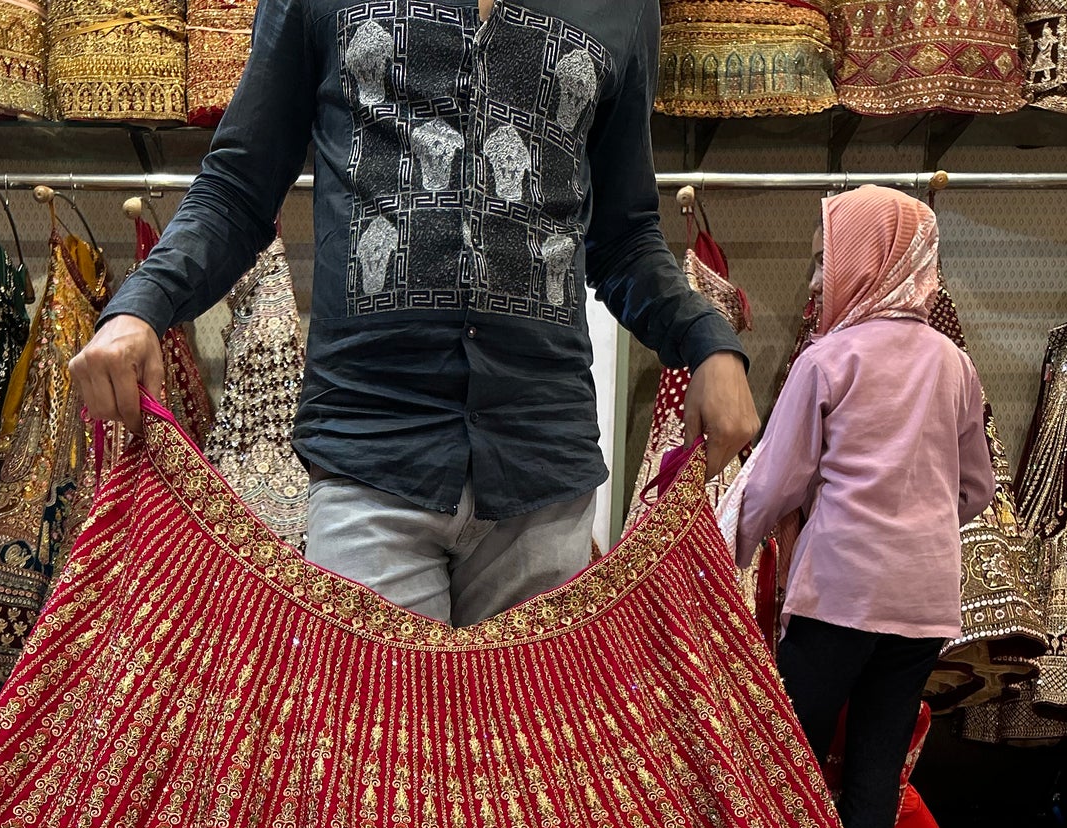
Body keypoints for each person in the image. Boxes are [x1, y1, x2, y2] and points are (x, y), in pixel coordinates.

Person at [70, 0, 759, 625]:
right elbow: (239, 190)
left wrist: (707, 341)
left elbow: (624, 235)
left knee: (520, 759)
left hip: (540, 470)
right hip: (371, 456)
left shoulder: (622, 8)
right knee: (369, 758)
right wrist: (138, 308)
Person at [733, 185, 995, 828]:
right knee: (877, 771)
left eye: (828, 260)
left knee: (785, 757)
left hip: (838, 595)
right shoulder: (954, 364)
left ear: (869, 262)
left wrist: (717, 559)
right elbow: (977, 490)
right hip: (922, 602)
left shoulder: (829, 359)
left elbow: (771, 486)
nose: (819, 279)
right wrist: (920, 522)